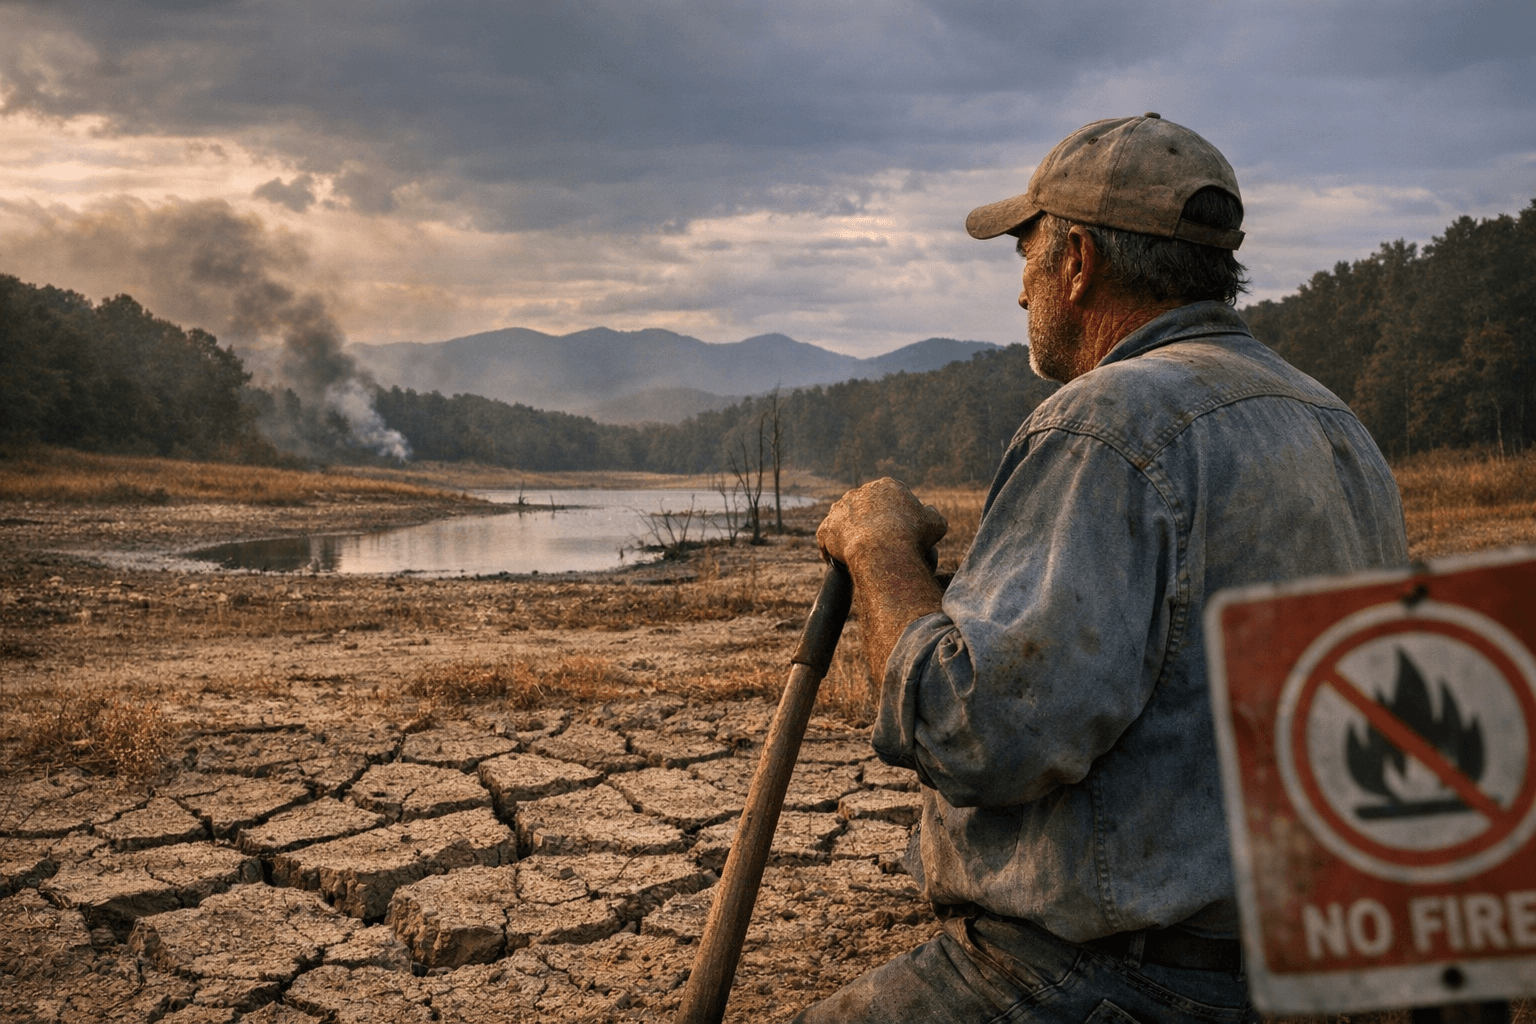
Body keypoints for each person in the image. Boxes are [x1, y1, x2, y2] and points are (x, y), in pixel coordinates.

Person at [801, 114, 1409, 1023]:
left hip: (1126, 981)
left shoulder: (1107, 423)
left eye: (1026, 256)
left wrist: (881, 551)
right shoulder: (1332, 422)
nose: (1020, 292)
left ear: (1078, 262)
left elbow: (978, 737)